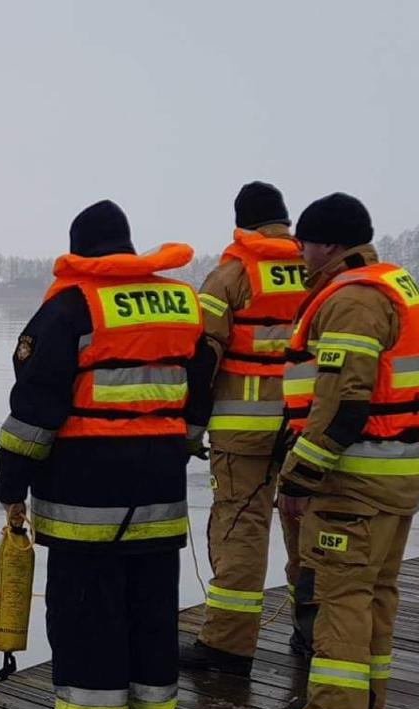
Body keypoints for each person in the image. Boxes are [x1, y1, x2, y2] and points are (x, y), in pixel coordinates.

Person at [0, 200, 214, 709]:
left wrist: (10, 484)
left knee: (87, 615)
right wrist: (177, 444)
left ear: (78, 251)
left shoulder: (72, 306)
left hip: (85, 498)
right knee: (151, 613)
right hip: (161, 494)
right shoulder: (178, 304)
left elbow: (35, 410)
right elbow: (201, 384)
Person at [259, 193, 419, 709]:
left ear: (330, 244)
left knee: (339, 599)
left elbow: (343, 405)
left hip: (352, 481)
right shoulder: (395, 288)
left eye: (306, 243)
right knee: (375, 597)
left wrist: (298, 477)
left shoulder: (353, 301)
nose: (300, 254)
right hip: (396, 478)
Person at [180, 182, 311, 677]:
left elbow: (202, 354)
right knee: (308, 526)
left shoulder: (232, 274)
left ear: (241, 222)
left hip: (243, 430)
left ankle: (228, 646)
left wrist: (191, 425)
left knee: (240, 529)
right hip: (307, 428)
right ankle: (312, 631)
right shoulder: (321, 272)